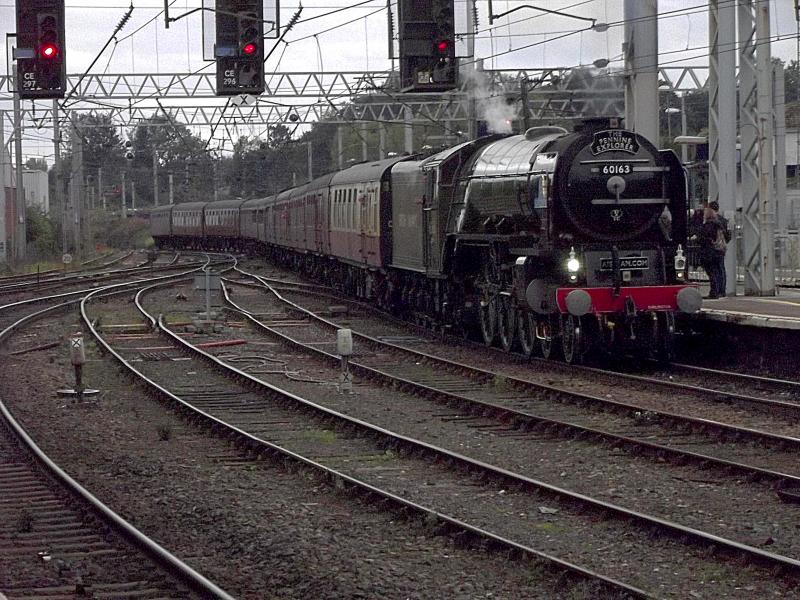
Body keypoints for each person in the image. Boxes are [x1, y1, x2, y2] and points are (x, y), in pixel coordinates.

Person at [698, 203, 727, 298]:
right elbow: (727, 235)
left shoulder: (708, 225)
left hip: (710, 251)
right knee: (720, 270)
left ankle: (714, 292)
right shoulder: (722, 222)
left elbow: (703, 238)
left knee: (712, 272)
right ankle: (721, 291)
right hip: (720, 250)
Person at [709, 201, 731, 296]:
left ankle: (716, 290)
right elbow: (729, 236)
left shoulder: (712, 220)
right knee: (721, 268)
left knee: (714, 269)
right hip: (722, 248)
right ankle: (722, 290)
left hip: (713, 248)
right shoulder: (724, 221)